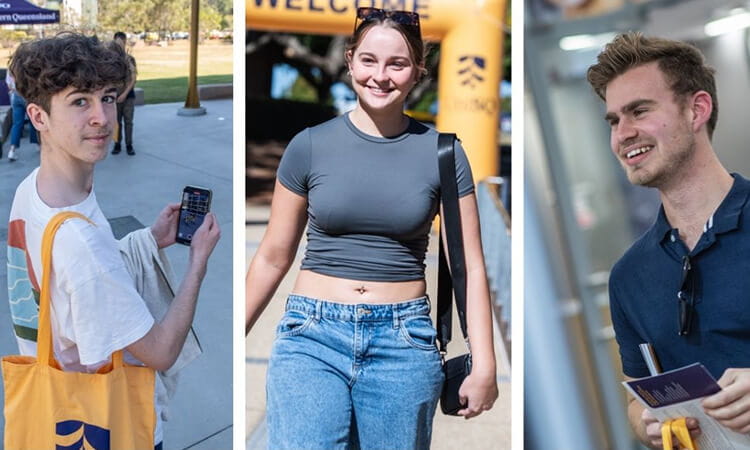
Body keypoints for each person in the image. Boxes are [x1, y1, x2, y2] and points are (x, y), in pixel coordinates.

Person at [246, 7, 498, 449]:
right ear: (349, 61)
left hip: (403, 342)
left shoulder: (444, 154)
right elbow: (271, 255)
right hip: (311, 335)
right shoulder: (308, 146)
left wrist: (485, 367)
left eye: (397, 64)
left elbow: (471, 268)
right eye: (369, 60)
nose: (380, 75)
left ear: (418, 71)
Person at [5, 33, 221, 447]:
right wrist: (197, 265)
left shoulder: (35, 192)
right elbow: (160, 353)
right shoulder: (83, 246)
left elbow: (61, 280)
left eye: (107, 96)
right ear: (37, 117)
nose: (102, 117)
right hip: (104, 425)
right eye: (79, 102)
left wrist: (147, 241)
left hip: (55, 415)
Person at [587, 32, 750, 448]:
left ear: (697, 110)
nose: (623, 134)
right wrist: (649, 426)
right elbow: (638, 399)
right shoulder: (628, 276)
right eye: (614, 120)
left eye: (639, 111)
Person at [5, 68, 39, 161]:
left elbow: (9, 84)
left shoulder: (11, 68)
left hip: (16, 95)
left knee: (17, 124)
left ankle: (12, 150)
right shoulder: (28, 65)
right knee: (33, 120)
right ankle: (38, 144)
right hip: (27, 96)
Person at [112, 31, 137, 155]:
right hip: (114, 98)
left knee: (128, 121)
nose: (120, 45)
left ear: (125, 42)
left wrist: (124, 94)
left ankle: (129, 145)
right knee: (116, 122)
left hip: (128, 97)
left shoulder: (130, 59)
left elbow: (133, 79)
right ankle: (117, 144)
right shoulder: (110, 60)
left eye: (122, 42)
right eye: (117, 42)